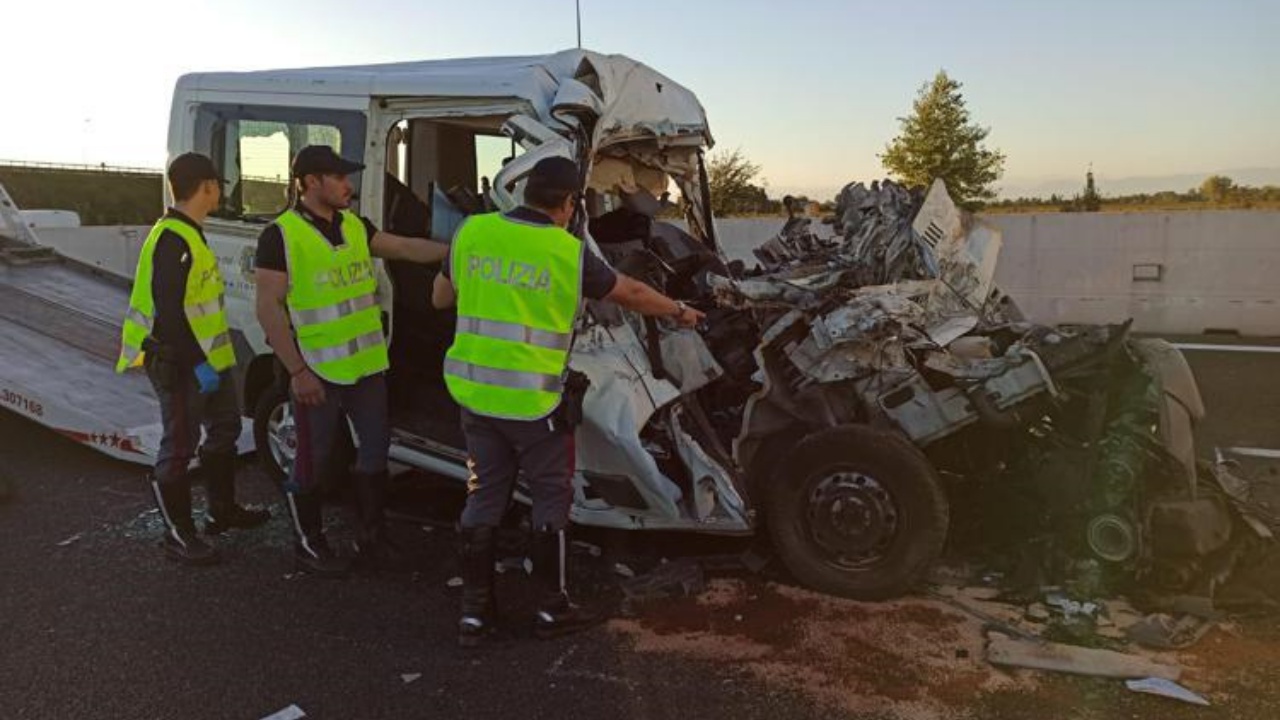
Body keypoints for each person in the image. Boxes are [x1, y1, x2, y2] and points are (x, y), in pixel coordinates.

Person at [432, 156, 706, 647]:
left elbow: (440, 298)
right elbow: (633, 293)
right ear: (568, 203)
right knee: (550, 498)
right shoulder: (567, 251)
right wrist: (682, 312)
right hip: (535, 405)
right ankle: (550, 609)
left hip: (475, 395)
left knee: (485, 495)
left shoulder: (471, 231)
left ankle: (474, 613)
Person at [255, 145, 449, 577]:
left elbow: (402, 248)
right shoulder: (281, 235)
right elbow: (268, 308)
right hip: (318, 371)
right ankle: (309, 542)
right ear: (309, 182)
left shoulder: (354, 225)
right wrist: (297, 372)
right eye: (338, 177)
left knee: (374, 452)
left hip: (365, 367)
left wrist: (457, 250)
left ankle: (372, 537)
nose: (348, 185)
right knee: (313, 459)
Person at [117, 152, 268, 566]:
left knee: (225, 428)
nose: (220, 190)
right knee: (178, 446)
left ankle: (222, 511)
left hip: (205, 359)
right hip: (178, 362)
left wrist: (212, 361)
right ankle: (178, 535)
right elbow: (169, 311)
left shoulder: (189, 233)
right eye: (218, 184)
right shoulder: (172, 239)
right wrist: (198, 364)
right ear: (207, 186)